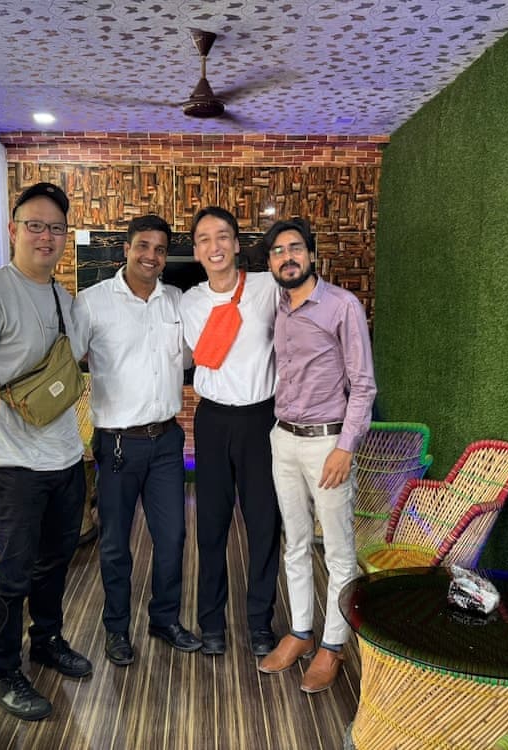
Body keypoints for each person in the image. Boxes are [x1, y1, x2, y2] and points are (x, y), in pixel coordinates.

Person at [0, 182, 91, 721]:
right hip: (12, 466)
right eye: (35, 225)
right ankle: (1, 670)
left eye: (55, 228)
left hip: (65, 458)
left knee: (55, 561)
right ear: (13, 230)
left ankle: (47, 640)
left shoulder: (65, 299)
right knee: (11, 575)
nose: (45, 237)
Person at [72, 214, 202, 666]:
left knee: (173, 538)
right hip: (117, 445)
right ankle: (116, 629)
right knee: (114, 544)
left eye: (160, 249)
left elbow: (192, 357)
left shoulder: (176, 301)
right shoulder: (91, 303)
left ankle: (164, 619)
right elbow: (67, 362)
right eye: (143, 246)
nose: (151, 256)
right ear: (125, 249)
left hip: (167, 441)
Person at [257, 216, 377, 693]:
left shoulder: (342, 306)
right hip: (283, 439)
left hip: (328, 442)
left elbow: (363, 385)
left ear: (311, 254)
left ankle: (332, 646)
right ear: (270, 263)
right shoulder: (279, 307)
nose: (287, 257)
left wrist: (345, 447)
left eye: (295, 248)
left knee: (340, 551)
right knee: (296, 542)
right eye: (277, 251)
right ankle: (301, 632)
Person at [180, 206, 281, 657]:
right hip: (213, 421)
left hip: (262, 420)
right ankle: (211, 622)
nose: (214, 246)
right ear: (196, 251)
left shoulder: (267, 287)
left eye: (222, 236)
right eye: (204, 239)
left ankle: (260, 623)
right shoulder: (188, 302)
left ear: (237, 244)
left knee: (264, 524)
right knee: (211, 525)